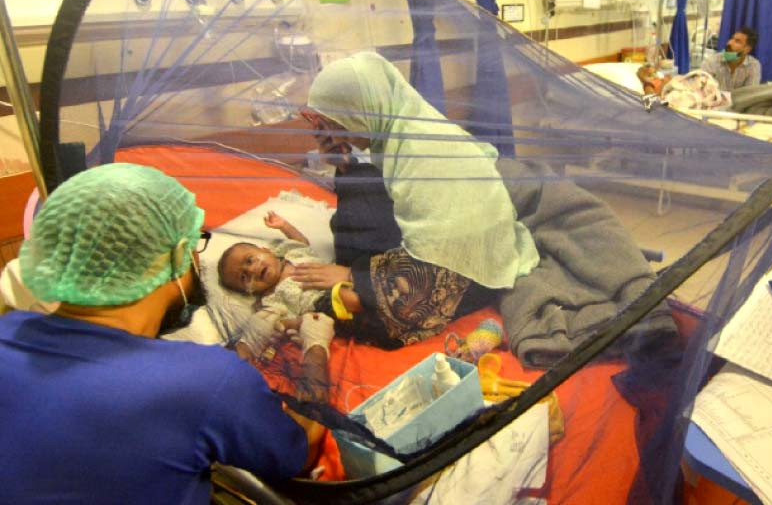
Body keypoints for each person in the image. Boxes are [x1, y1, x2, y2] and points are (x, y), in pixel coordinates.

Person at [0, 163, 331, 503]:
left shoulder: (7, 331)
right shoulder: (206, 380)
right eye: (197, 245)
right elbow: (295, 453)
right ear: (177, 255)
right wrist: (316, 348)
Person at [291, 51, 540, 348]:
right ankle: (357, 293)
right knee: (355, 187)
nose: (331, 132)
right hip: (467, 249)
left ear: (363, 107)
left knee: (378, 313)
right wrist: (337, 158)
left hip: (473, 272)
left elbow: (435, 251)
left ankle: (353, 297)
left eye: (336, 123)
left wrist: (355, 277)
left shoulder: (416, 150)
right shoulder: (399, 129)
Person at [216, 211, 358, 362]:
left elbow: (301, 241)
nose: (252, 270)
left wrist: (284, 226)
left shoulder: (292, 253)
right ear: (249, 291)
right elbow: (277, 320)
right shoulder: (271, 298)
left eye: (249, 260)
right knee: (348, 297)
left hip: (342, 277)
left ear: (266, 251)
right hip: (324, 306)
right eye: (244, 278)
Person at [701, 26, 761, 91]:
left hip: (739, 101)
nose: (729, 43)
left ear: (747, 49)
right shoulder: (711, 61)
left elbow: (749, 94)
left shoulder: (753, 65)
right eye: (732, 38)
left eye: (737, 41)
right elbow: (702, 90)